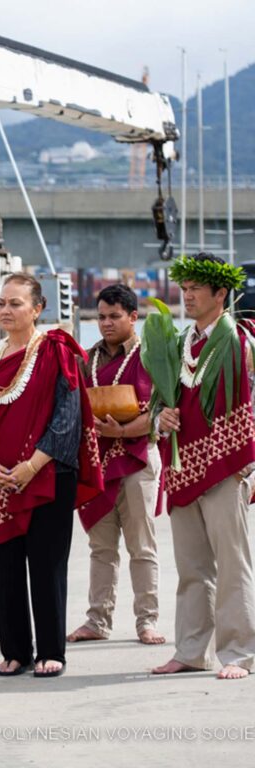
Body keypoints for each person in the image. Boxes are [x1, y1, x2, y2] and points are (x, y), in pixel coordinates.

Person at [0, 273, 102, 678]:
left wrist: (31, 465)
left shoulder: (58, 352)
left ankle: (51, 650)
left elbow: (67, 418)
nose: (6, 310)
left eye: (15, 303)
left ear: (38, 309)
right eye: (2, 302)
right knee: (4, 565)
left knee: (46, 564)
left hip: (47, 474)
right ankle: (16, 650)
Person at [151, 254, 255, 680]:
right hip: (183, 468)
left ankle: (238, 654)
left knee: (232, 565)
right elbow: (161, 399)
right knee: (191, 568)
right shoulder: (178, 344)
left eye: (197, 288)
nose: (188, 295)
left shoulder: (242, 341)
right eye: (185, 288)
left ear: (221, 293)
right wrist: (162, 417)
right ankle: (192, 650)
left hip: (228, 469)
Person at [69, 284, 163, 645]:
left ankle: (147, 622)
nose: (106, 324)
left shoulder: (152, 355)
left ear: (133, 317)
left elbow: (159, 410)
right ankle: (97, 621)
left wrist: (123, 429)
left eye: (114, 317)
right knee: (101, 547)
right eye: (101, 317)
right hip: (98, 464)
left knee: (142, 546)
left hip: (138, 458)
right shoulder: (86, 358)